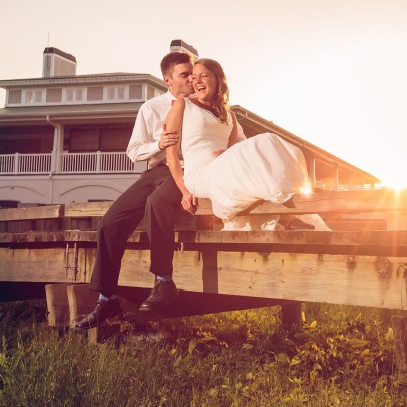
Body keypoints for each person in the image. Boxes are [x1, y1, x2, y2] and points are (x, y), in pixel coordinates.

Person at [73, 51, 194, 329]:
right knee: (109, 223)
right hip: (154, 170)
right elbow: (133, 151)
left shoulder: (200, 104)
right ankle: (106, 299)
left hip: (185, 172)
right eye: (184, 74)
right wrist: (159, 144)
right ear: (168, 79)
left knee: (156, 203)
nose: (190, 79)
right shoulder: (150, 108)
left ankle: (163, 281)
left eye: (191, 73)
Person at [165, 58, 329, 231]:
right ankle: (287, 215)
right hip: (199, 175)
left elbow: (231, 150)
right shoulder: (183, 105)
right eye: (194, 76)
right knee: (259, 146)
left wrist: (227, 155)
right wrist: (185, 191)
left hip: (223, 168)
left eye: (203, 76)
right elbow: (171, 154)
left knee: (267, 139)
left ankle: (286, 213)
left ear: (217, 79)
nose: (196, 81)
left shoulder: (231, 117)